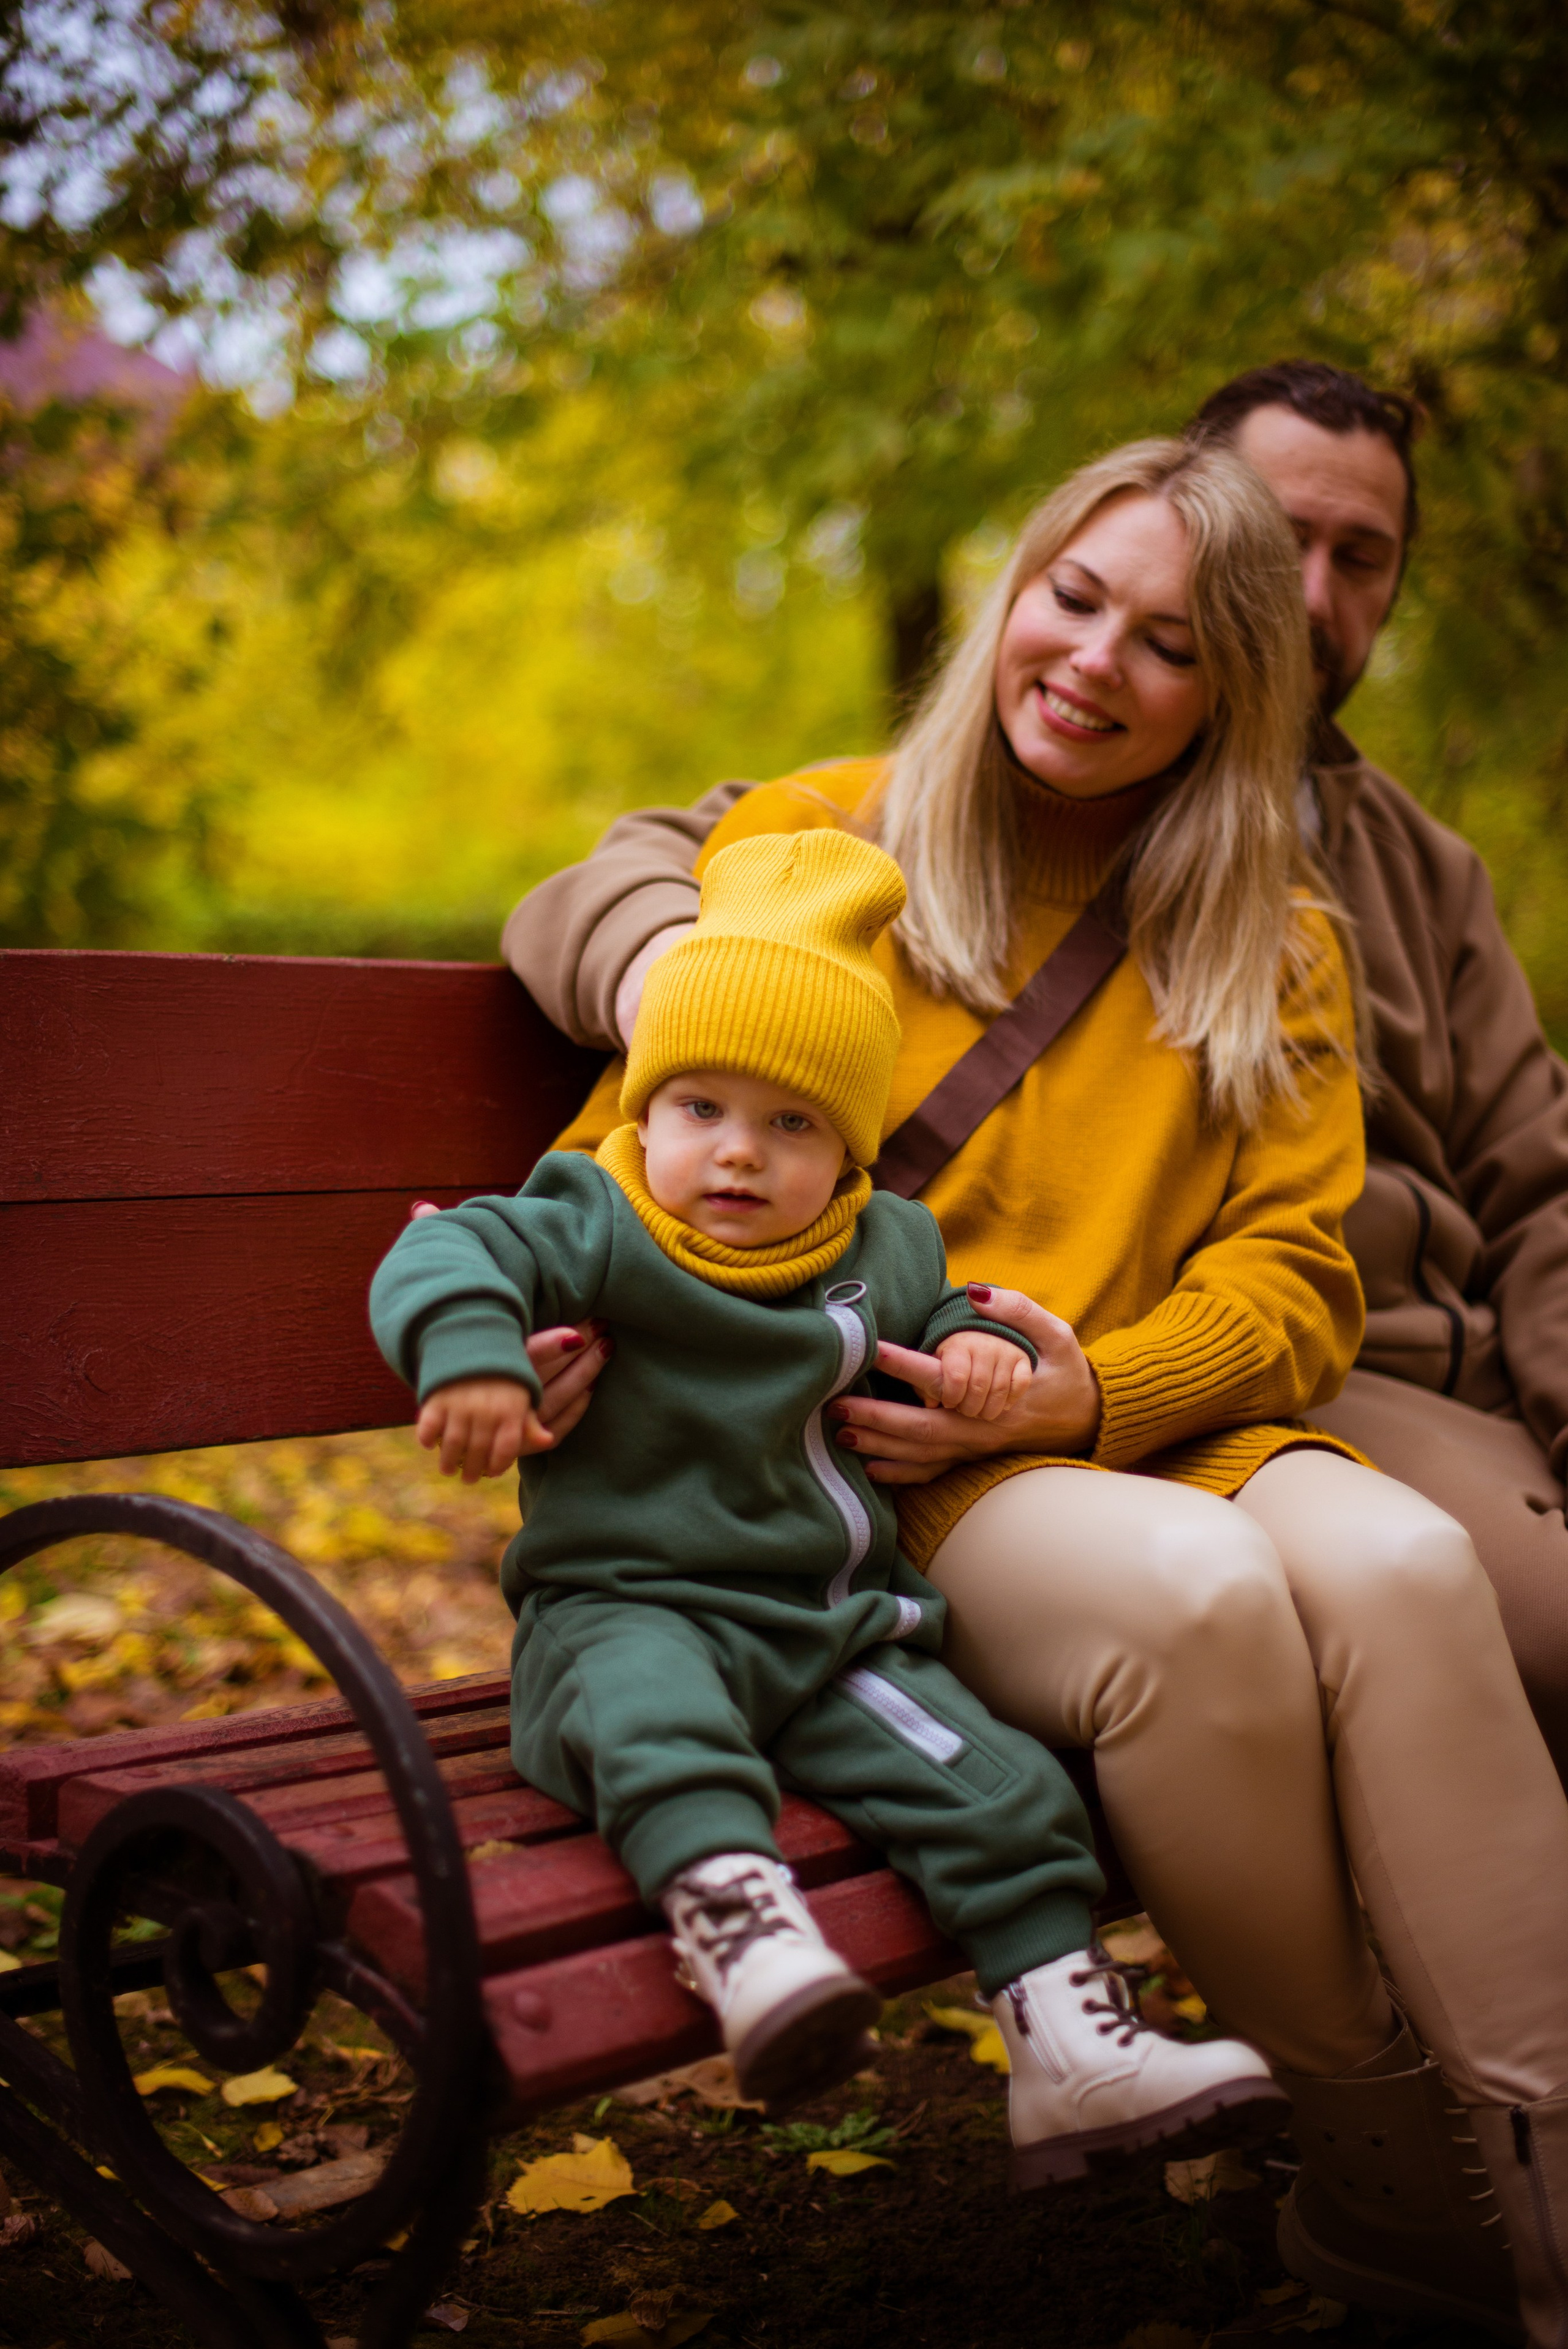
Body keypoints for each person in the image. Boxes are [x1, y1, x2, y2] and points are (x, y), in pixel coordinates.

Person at [500, 430, 1568, 2348]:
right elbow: (637, 1145)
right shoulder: (815, 848)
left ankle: (1552, 2194)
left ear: (1232, 694)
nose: (1094, 662)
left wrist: (1095, 1390)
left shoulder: (1278, 937)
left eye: (1170, 644)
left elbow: (1298, 1272)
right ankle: (1396, 2166)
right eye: (1074, 599)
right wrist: (559, 1326)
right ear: (1018, 592)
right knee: (1204, 1606)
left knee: (1408, 1567)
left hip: (1135, 1424)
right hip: (872, 1468)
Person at [510, 359, 1568, 1795]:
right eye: (1272, 530)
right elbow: (643, 883)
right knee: (1460, 1612)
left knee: (1391, 1592)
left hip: (1367, 1369)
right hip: (1203, 1385)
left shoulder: (1405, 876)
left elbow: (1537, 1183)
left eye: (1359, 558)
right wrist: (677, 988)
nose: (1311, 589)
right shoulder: (879, 818)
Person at [370, 825, 1287, 2171]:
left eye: (789, 1122)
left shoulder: (883, 1244)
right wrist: (467, 1355)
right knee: (654, 1720)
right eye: (700, 1109)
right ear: (646, 1108)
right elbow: (451, 1247)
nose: (736, 1154)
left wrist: (977, 1346)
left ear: (848, 1148)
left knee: (1000, 1787)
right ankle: (744, 1931)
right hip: (625, 1612)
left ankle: (1067, 2044)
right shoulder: (596, 1216)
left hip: (827, 1630)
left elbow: (949, 1311)